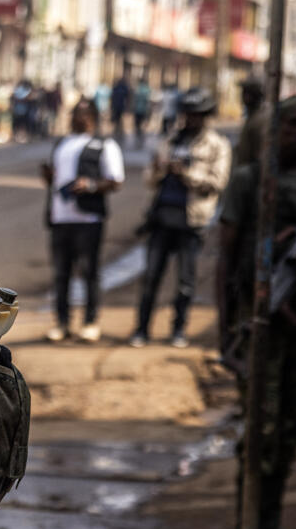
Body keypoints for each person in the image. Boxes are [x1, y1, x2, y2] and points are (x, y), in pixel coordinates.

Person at [216, 97, 296, 529]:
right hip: (261, 321)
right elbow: (227, 258)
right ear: (276, 129)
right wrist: (227, 328)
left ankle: (269, 526)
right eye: (293, 125)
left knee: (289, 428)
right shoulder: (250, 182)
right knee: (259, 429)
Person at [130, 88, 230, 348]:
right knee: (151, 277)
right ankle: (141, 329)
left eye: (196, 115)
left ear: (206, 116)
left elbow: (217, 182)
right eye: (187, 114)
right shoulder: (170, 139)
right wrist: (158, 169)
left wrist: (186, 174)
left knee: (185, 282)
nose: (190, 120)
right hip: (161, 218)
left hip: (191, 220)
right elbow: (150, 180)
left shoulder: (217, 145)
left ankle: (178, 330)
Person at [40, 98, 124, 343]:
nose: (79, 117)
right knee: (60, 273)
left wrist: (90, 185)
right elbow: (54, 180)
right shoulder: (62, 144)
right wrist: (48, 176)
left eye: (84, 113)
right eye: (76, 112)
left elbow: (116, 180)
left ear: (94, 118)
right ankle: (62, 323)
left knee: (89, 272)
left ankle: (90, 322)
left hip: (88, 219)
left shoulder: (104, 146)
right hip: (60, 217)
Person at [132, 77, 152, 149]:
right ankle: (142, 134)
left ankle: (139, 134)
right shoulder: (147, 89)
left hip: (137, 110)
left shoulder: (137, 89)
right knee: (143, 124)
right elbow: (149, 101)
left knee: (137, 124)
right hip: (144, 110)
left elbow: (134, 100)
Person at [110, 76, 129, 141]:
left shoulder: (117, 88)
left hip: (117, 106)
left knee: (117, 117)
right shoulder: (123, 88)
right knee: (119, 118)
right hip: (120, 106)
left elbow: (112, 97)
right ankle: (118, 129)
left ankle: (118, 129)